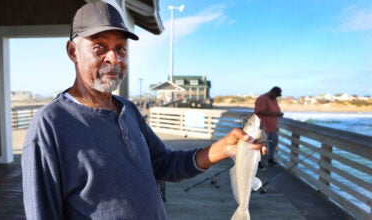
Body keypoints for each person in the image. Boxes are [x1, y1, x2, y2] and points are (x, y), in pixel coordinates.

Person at [21, 2, 266, 219]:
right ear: (73, 52)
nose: (114, 59)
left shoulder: (127, 109)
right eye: (99, 48)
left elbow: (163, 163)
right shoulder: (50, 125)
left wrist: (222, 149)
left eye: (121, 48)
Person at [255, 86, 284, 170]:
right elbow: (258, 111)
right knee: (261, 145)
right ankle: (258, 162)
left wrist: (279, 114)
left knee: (273, 143)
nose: (276, 97)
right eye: (276, 95)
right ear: (272, 92)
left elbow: (276, 111)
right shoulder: (262, 98)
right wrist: (273, 114)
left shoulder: (274, 100)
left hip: (272, 128)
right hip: (263, 126)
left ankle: (270, 160)